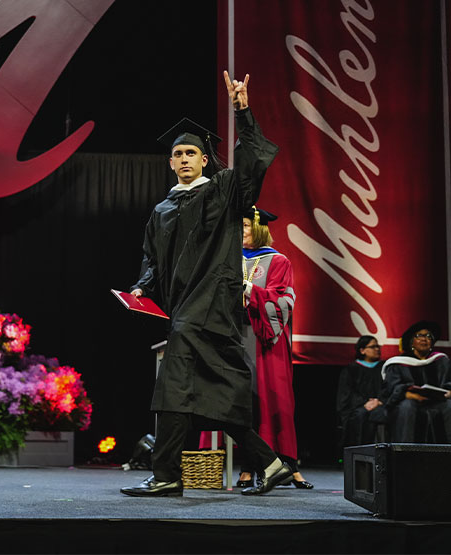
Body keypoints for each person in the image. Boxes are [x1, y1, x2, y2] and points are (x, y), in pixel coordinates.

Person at [120, 72, 292, 497]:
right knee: (212, 398)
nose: (182, 159)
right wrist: (142, 287)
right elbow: (151, 257)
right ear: (170, 161)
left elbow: (253, 158)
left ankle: (165, 475)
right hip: (183, 310)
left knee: (173, 391)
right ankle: (269, 464)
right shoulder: (162, 209)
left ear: (203, 159)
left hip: (211, 307)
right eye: (176, 154)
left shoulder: (224, 191)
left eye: (190, 153)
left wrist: (242, 110)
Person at [234, 207, 312, 489]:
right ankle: (246, 466)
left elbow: (282, 302)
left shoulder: (278, 261)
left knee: (274, 402)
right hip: (235, 336)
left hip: (267, 340)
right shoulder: (228, 258)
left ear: (258, 228)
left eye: (244, 225)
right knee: (244, 403)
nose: (239, 231)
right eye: (238, 225)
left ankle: (287, 465)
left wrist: (246, 289)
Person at [382, 321, 451, 443]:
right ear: (411, 342)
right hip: (411, 402)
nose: (425, 339)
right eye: (420, 335)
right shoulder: (398, 364)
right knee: (407, 407)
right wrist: (408, 394)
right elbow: (391, 388)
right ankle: (405, 454)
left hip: (439, 402)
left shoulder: (443, 362)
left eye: (429, 336)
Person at [335, 335, 388, 447]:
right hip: (358, 408)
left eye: (378, 346)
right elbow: (346, 394)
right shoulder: (351, 369)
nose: (377, 349)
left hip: (381, 404)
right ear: (362, 350)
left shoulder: (385, 367)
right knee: (359, 416)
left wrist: (379, 401)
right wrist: (365, 403)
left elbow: (389, 388)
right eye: (373, 346)